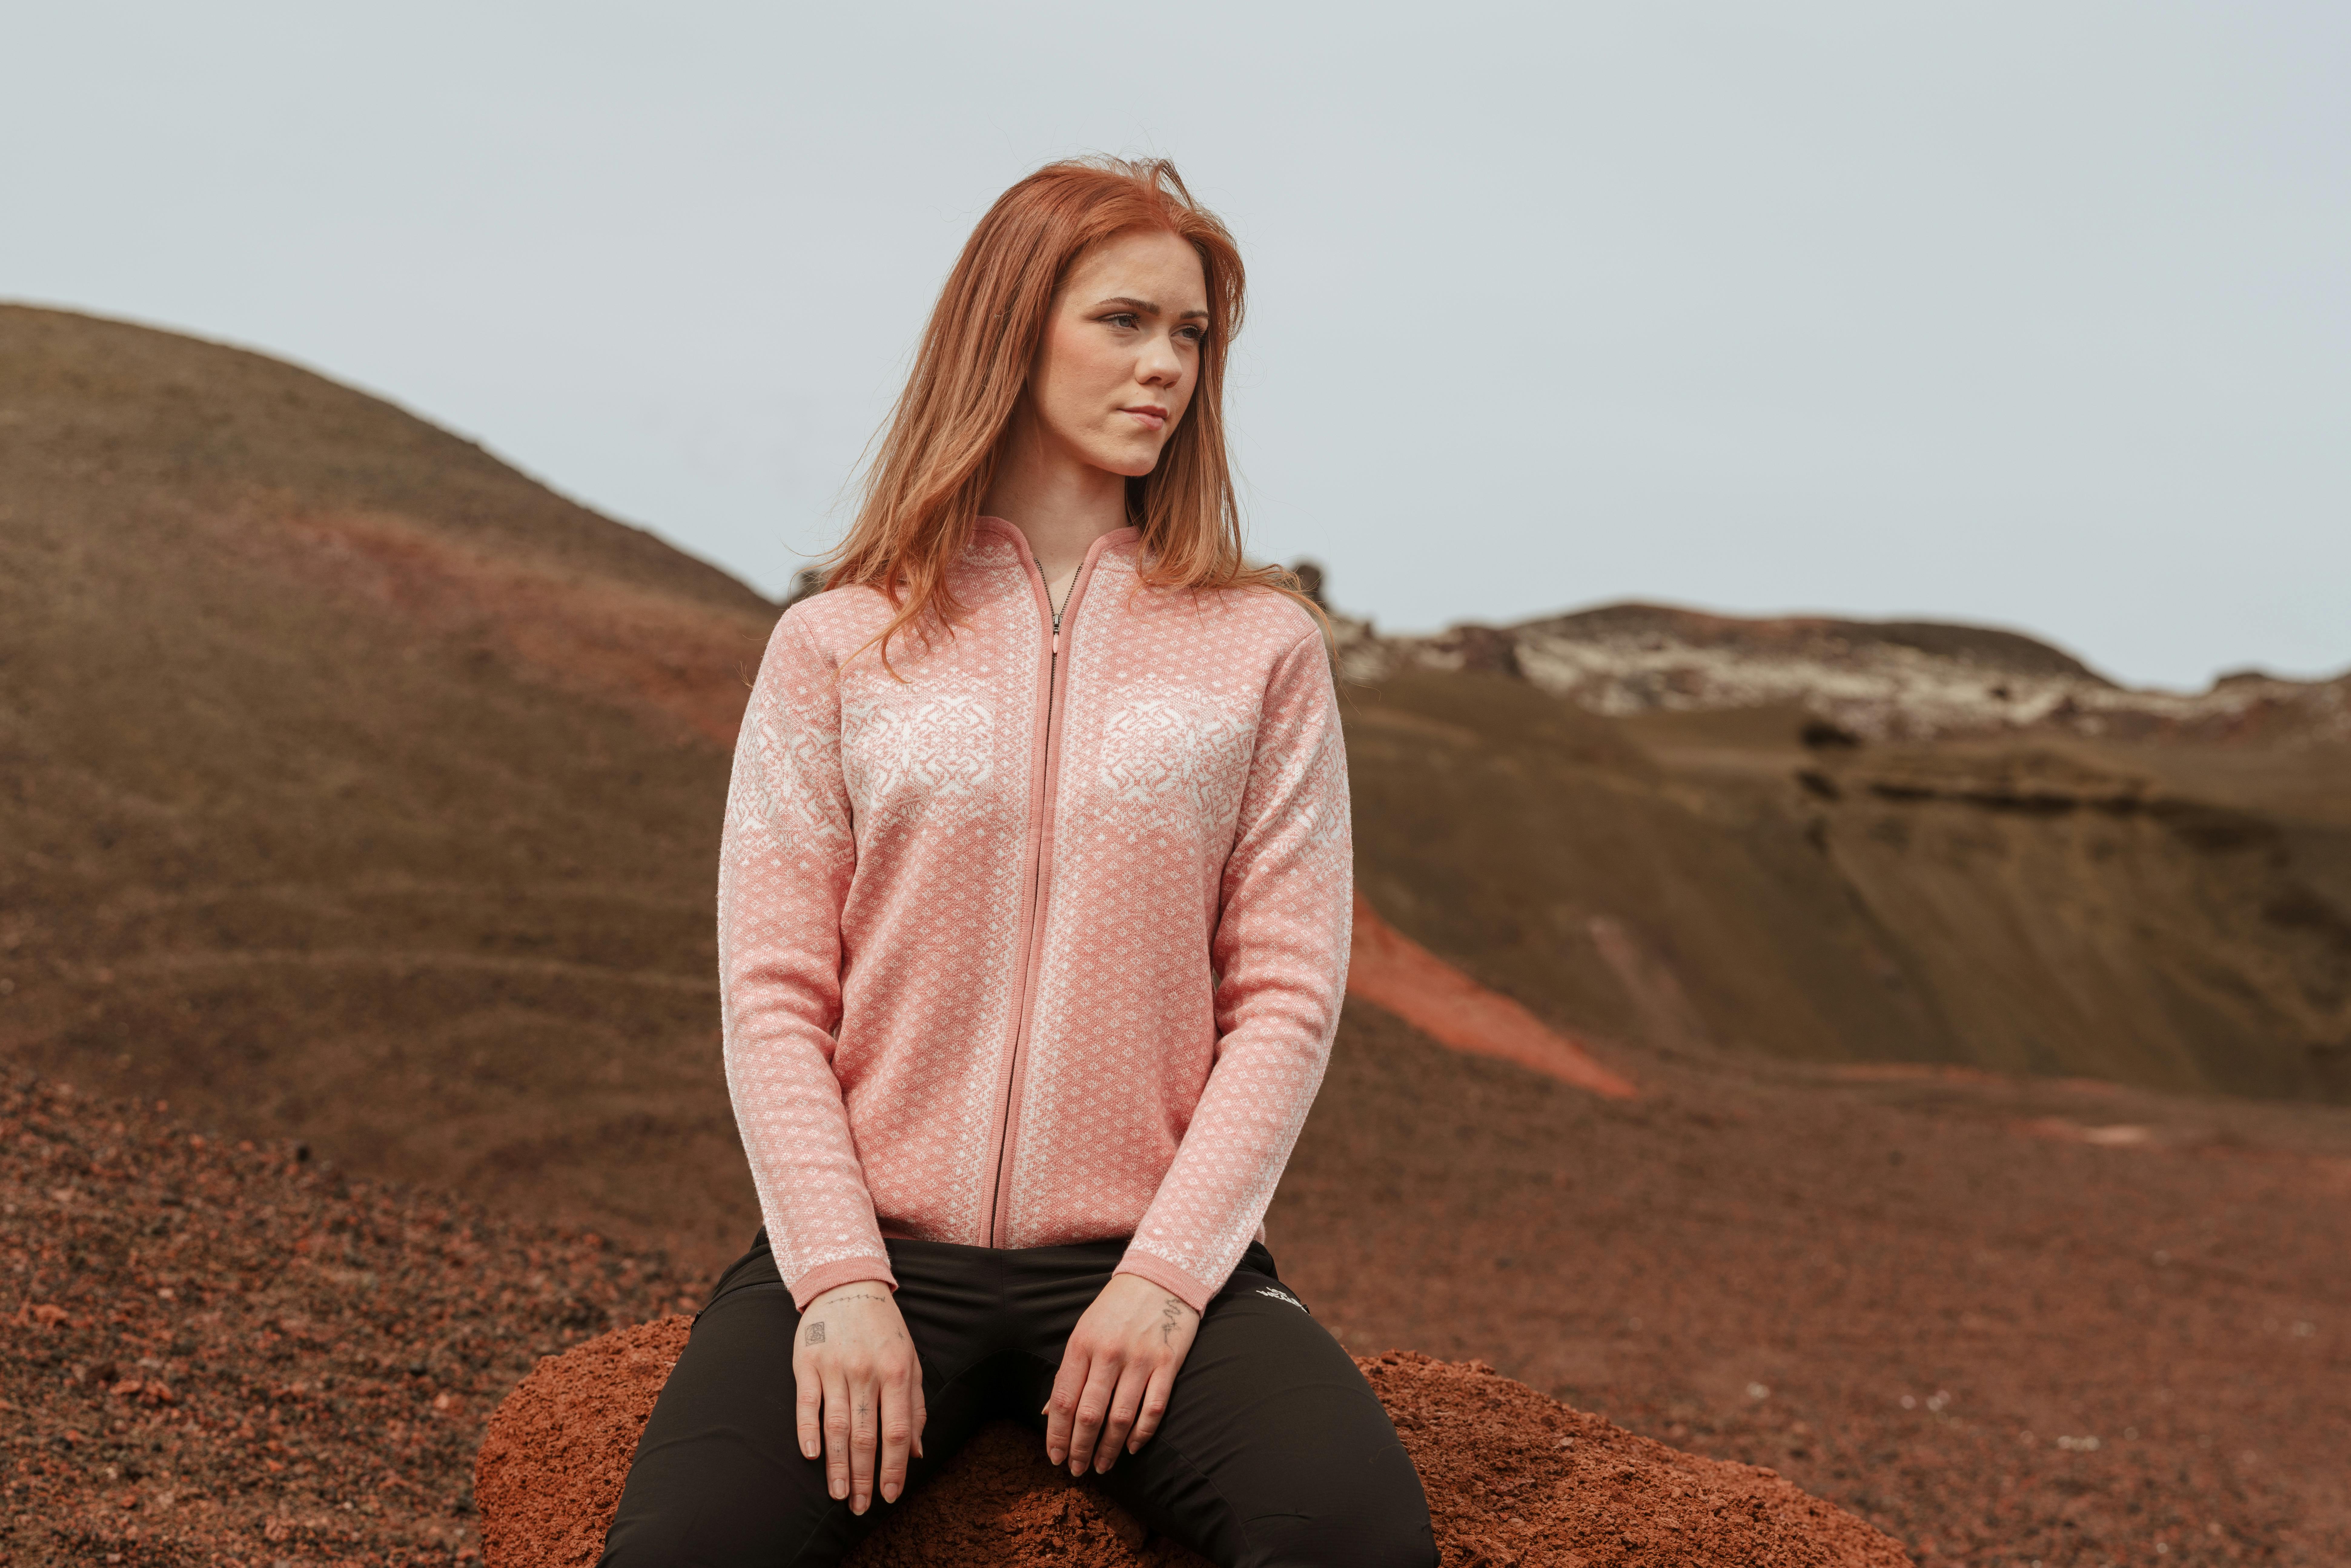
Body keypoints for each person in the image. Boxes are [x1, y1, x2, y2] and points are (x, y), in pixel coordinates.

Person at [600, 157, 1436, 1568]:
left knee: (1359, 1540)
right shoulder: (841, 642)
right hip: (878, 1248)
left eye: (1192, 334)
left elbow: (1287, 998)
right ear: (1011, 326)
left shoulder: (1261, 648)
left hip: (1145, 1258)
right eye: (1124, 320)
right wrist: (841, 1278)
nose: (1165, 365)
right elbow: (774, 994)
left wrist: (1172, 1278)